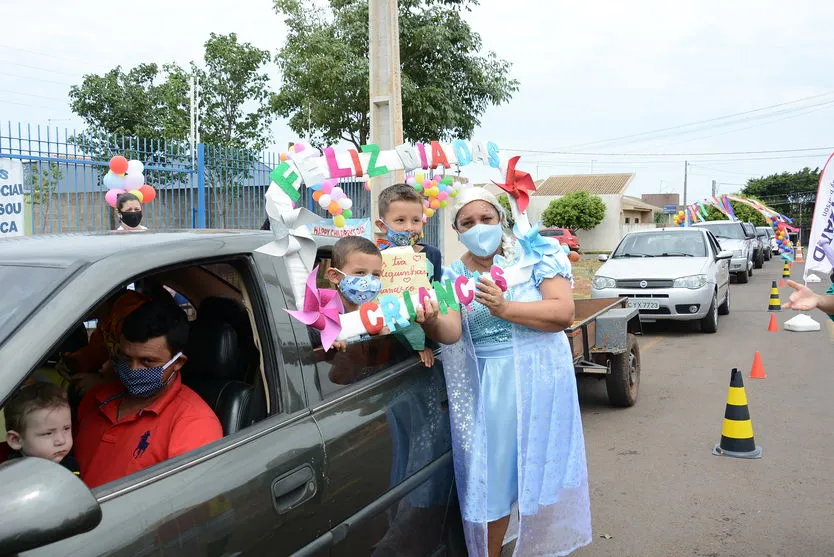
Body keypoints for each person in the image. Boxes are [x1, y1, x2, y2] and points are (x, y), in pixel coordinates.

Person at [431, 187, 591, 557]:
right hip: (492, 387)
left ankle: (536, 545)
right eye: (467, 222)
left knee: (538, 470)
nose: (478, 227)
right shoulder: (452, 277)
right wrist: (428, 322)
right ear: (457, 231)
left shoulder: (536, 255)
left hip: (541, 377)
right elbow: (451, 332)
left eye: (486, 218)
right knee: (494, 479)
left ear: (501, 220)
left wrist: (505, 308)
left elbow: (562, 314)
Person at [73, 300, 222, 489]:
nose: (134, 370)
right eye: (126, 358)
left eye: (148, 361)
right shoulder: (94, 399)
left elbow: (187, 506)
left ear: (178, 363)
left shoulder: (194, 423)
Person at [375, 184, 443, 367]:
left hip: (427, 340)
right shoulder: (374, 258)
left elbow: (437, 300)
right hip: (386, 342)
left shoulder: (432, 254)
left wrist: (426, 344)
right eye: (400, 220)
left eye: (415, 220)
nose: (409, 227)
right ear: (382, 225)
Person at [4, 382, 80, 475]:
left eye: (66, 428)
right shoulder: (11, 474)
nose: (61, 441)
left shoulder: (69, 465)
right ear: (16, 440)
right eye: (48, 433)